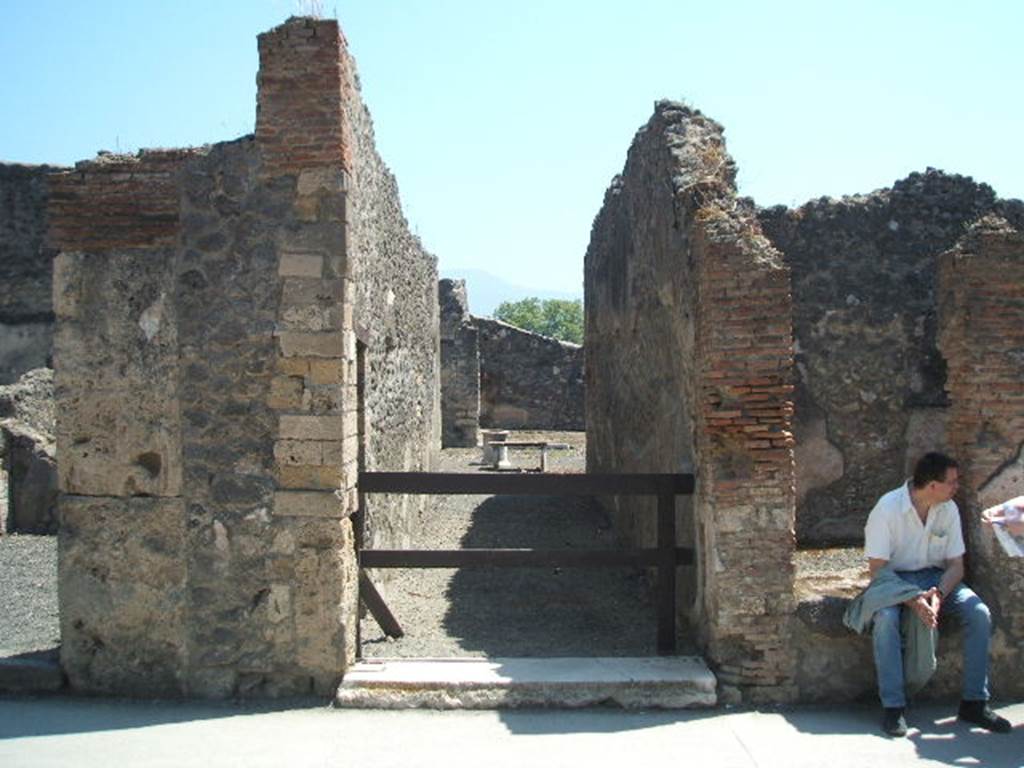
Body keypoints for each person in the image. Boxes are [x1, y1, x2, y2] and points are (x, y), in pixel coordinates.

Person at [861, 452, 1011, 737]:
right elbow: (877, 570)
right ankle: (894, 707)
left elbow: (956, 565)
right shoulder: (887, 509)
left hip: (936, 579)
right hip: (894, 579)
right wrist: (913, 599)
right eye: (952, 482)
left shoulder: (948, 509)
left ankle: (975, 702)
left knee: (979, 614)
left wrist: (939, 594)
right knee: (885, 620)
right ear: (931, 485)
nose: (957, 487)